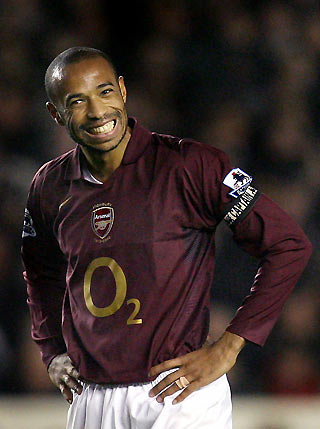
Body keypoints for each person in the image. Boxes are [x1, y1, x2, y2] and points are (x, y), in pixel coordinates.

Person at [21, 47, 312, 429]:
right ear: (55, 113)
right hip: (91, 398)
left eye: (105, 92)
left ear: (123, 91)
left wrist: (230, 345)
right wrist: (52, 351)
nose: (96, 112)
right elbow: (40, 273)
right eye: (77, 101)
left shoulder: (190, 165)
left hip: (179, 396)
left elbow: (287, 245)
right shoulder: (49, 186)